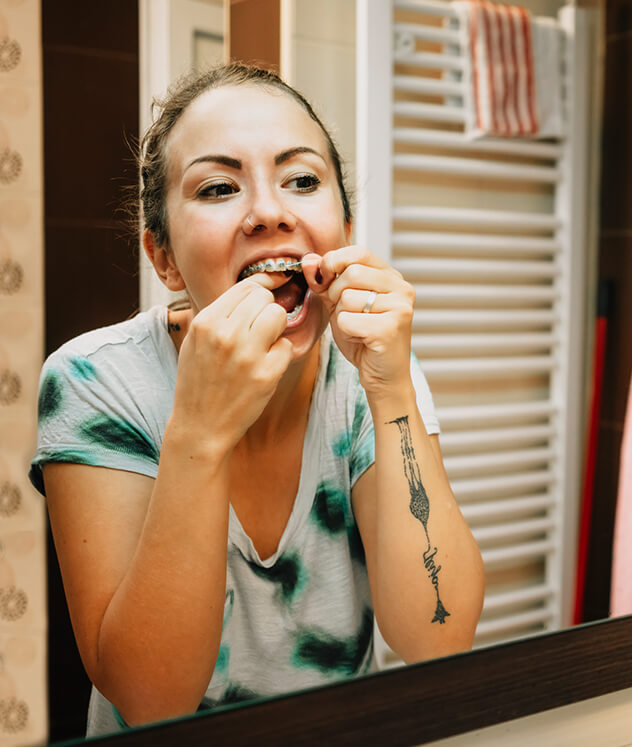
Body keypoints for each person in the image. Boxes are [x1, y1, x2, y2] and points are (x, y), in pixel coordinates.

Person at [30, 63, 484, 735]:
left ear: (344, 224)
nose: (271, 210)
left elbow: (436, 637)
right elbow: (152, 699)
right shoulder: (98, 383)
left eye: (302, 179)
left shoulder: (372, 371)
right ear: (165, 260)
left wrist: (391, 389)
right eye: (218, 186)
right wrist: (200, 430)